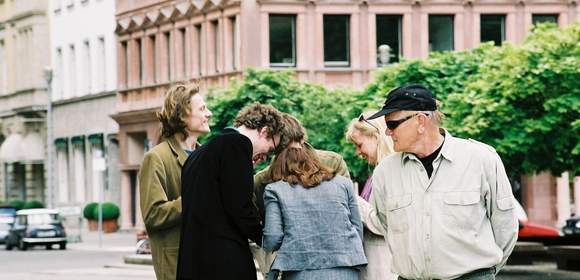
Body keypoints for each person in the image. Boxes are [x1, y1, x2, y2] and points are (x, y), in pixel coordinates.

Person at [366, 84, 518, 280]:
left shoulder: (481, 159)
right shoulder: (385, 172)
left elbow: (505, 227)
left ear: (420, 121)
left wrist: (484, 273)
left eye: (392, 124)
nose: (387, 132)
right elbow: (386, 226)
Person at [176, 103, 285, 280]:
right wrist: (265, 238)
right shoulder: (237, 144)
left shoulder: (199, 153)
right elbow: (240, 208)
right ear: (264, 131)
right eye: (270, 149)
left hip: (193, 261)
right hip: (224, 262)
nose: (265, 157)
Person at [253, 113, 351, 276]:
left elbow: (347, 217)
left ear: (302, 140)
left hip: (335, 263)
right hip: (289, 266)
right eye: (281, 151)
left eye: (292, 148)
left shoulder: (333, 163)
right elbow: (267, 233)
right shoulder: (262, 181)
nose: (289, 158)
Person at [138, 83, 212, 280]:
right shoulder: (156, 158)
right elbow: (153, 215)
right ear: (182, 115)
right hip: (177, 266)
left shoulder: (207, 157)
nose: (209, 113)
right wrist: (195, 199)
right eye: (202, 109)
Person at [262, 142, 367, 280]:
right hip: (345, 269)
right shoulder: (344, 184)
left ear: (280, 163)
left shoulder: (275, 190)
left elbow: (273, 238)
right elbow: (357, 229)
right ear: (313, 159)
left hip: (298, 269)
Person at [346, 111, 397, 280]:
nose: (357, 152)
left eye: (359, 145)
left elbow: (385, 223)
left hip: (384, 266)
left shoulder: (392, 173)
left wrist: (353, 199)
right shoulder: (378, 172)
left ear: (376, 137)